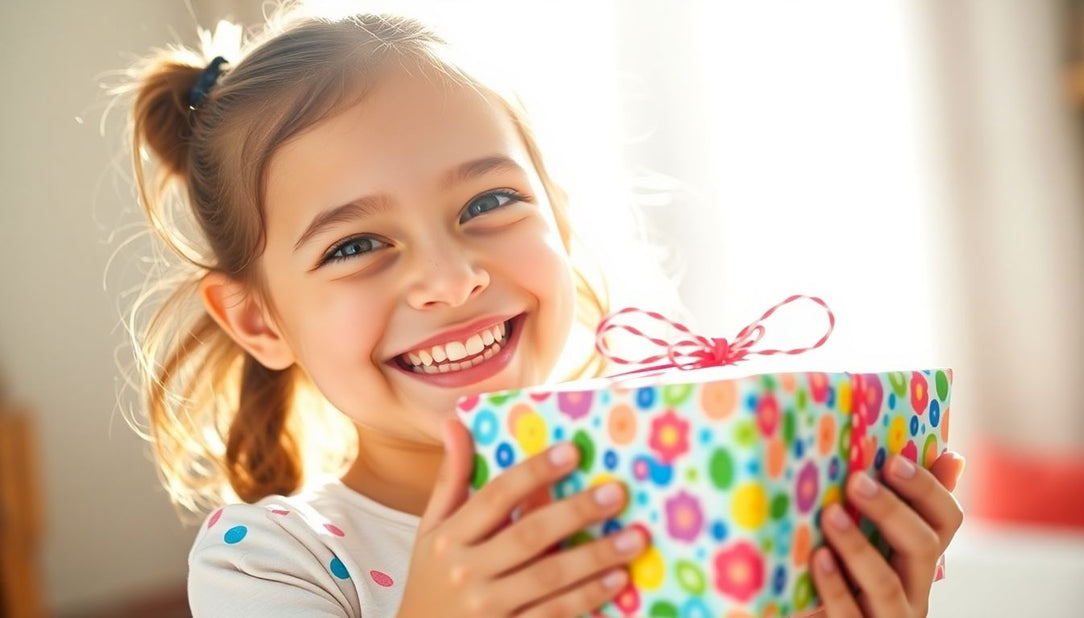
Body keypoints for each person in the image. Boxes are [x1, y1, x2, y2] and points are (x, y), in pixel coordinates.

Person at [121, 7, 965, 617]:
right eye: (353, 246)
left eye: (488, 201)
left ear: (559, 218)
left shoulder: (680, 481)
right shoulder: (275, 566)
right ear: (259, 321)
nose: (450, 280)